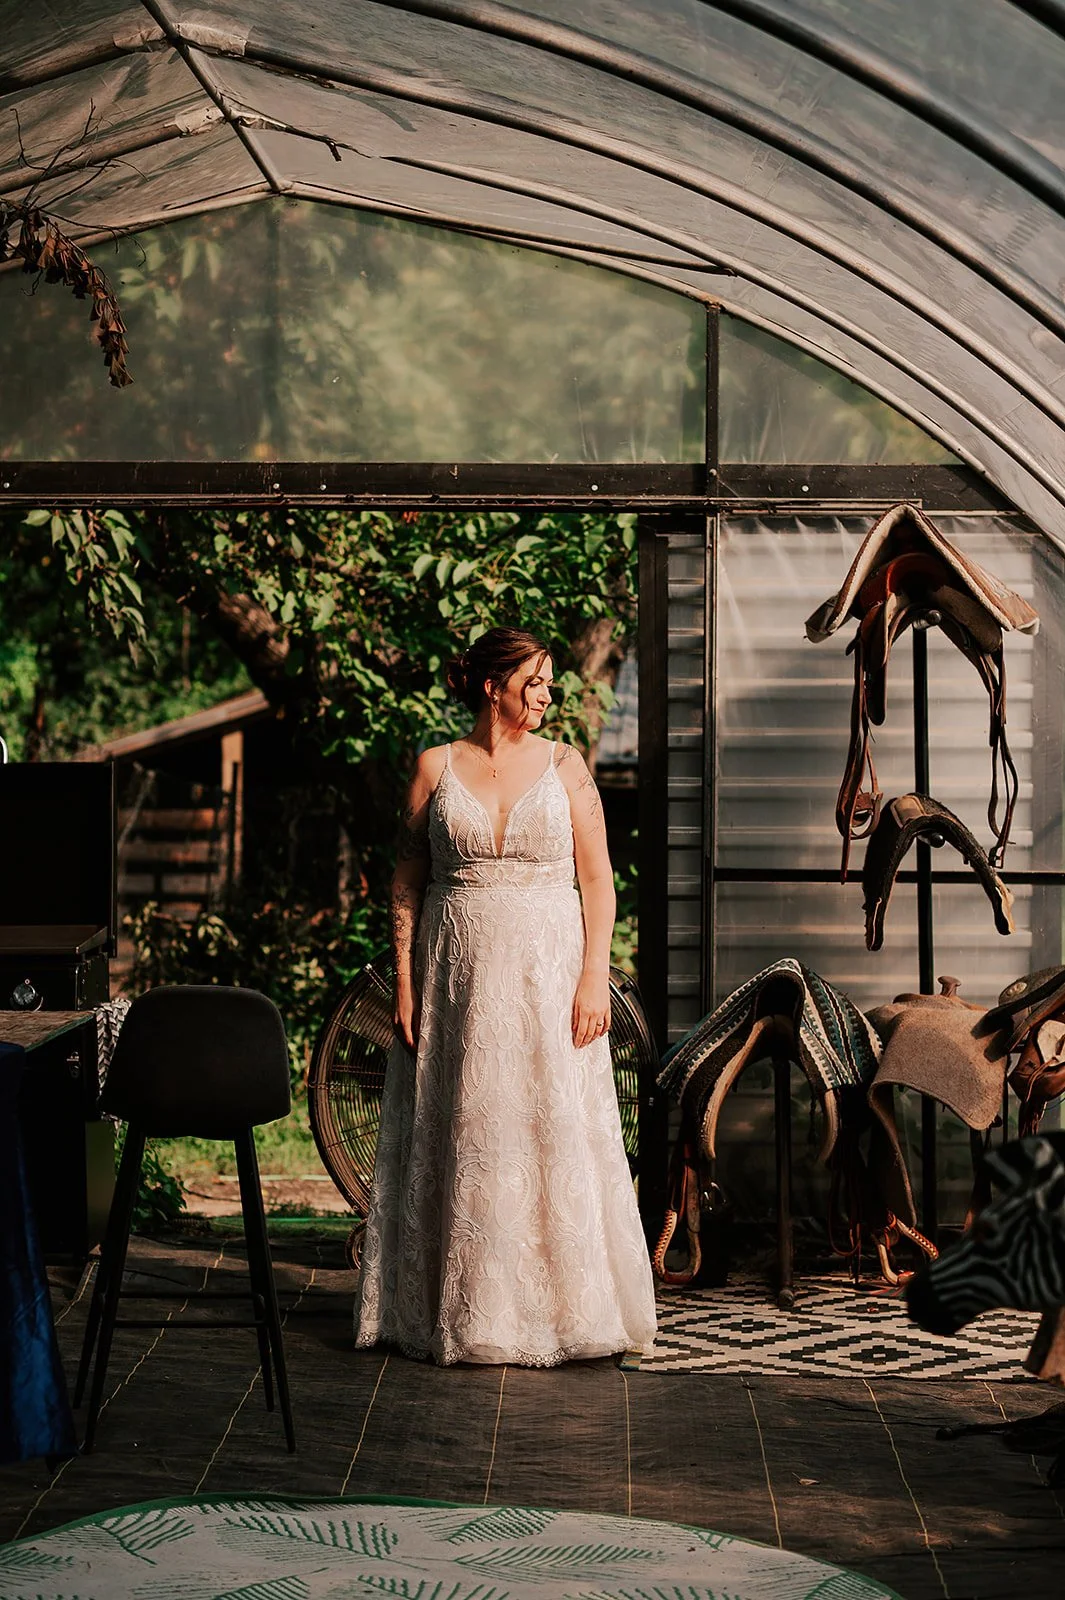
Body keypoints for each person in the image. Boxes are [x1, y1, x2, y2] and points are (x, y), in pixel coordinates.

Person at [354, 626, 657, 1365]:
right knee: (465, 1129)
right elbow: (405, 880)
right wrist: (402, 979)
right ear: (492, 686)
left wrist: (594, 975)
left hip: (547, 974)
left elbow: (597, 880)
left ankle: (563, 1309)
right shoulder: (434, 767)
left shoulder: (566, 767)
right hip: (456, 975)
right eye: (536, 681)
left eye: (551, 681)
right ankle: (461, 1309)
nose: (549, 693)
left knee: (546, 1125)